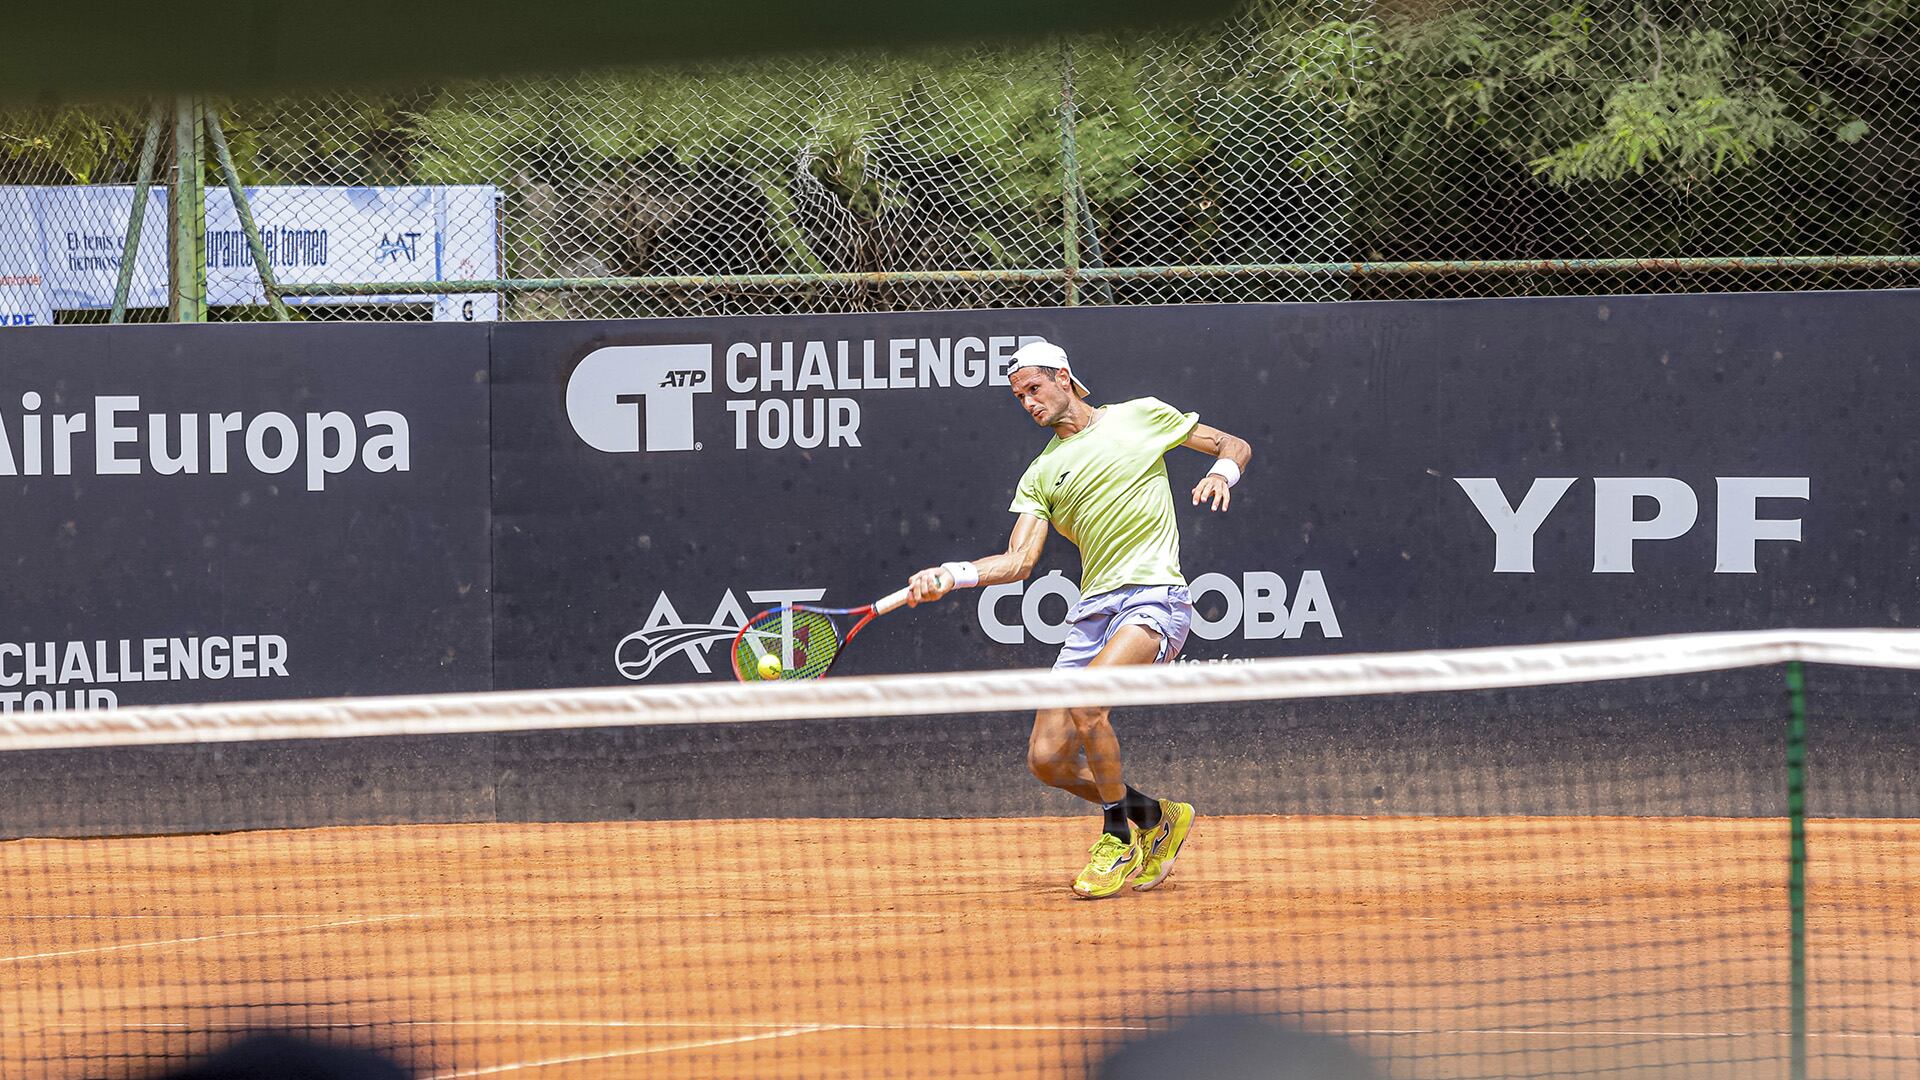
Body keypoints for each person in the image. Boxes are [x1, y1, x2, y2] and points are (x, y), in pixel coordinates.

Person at [906, 339, 1251, 898]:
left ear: (1063, 377)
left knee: (1089, 703)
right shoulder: (1041, 473)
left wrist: (1221, 475)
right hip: (1093, 611)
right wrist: (953, 573)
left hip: (1154, 596)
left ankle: (1117, 835)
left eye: (1034, 389)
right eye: (1019, 397)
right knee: (1046, 760)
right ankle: (1157, 817)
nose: (1028, 403)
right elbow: (1018, 561)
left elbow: (1232, 444)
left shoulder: (1140, 416)